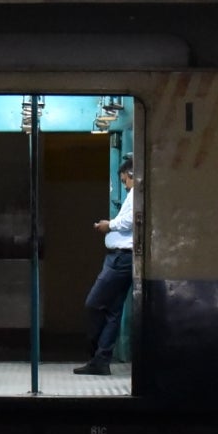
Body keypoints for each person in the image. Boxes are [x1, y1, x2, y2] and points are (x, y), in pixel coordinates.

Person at [74, 157, 135, 376]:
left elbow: (129, 222)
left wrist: (108, 226)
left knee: (94, 303)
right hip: (119, 259)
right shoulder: (133, 195)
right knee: (112, 312)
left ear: (131, 175)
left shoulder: (137, 194)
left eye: (124, 180)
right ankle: (101, 361)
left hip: (120, 260)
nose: (124, 185)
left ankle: (94, 353)